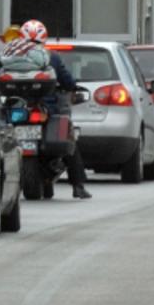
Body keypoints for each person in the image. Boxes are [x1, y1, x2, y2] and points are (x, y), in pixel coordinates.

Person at [7, 19, 91, 200]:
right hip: (47, 107)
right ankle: (78, 186)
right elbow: (67, 81)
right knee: (69, 140)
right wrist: (72, 86)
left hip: (18, 106)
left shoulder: (13, 57)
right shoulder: (51, 56)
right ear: (43, 38)